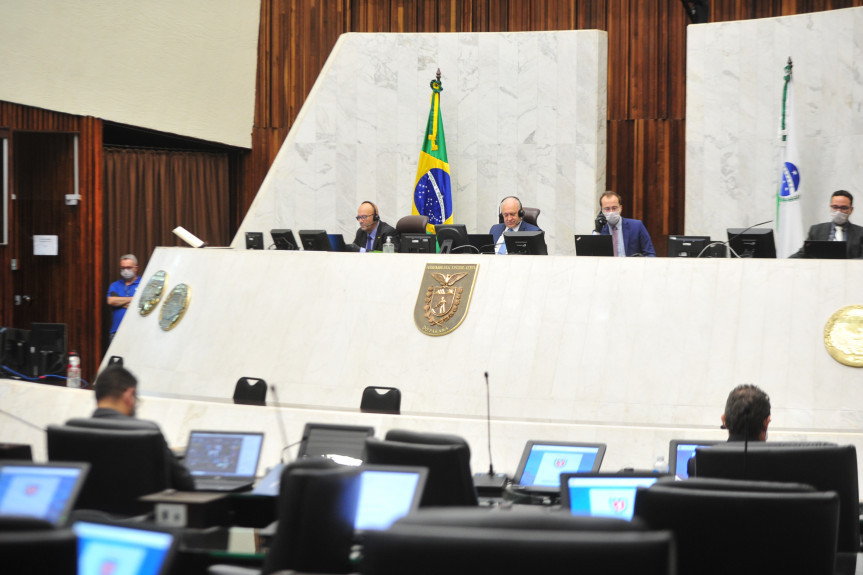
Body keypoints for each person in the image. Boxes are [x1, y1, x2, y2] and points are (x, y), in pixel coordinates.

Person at [92, 365, 194, 490]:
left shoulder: (72, 429)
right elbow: (185, 483)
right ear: (129, 395)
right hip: (142, 510)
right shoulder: (147, 432)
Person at [789, 190, 863, 259]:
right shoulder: (816, 230)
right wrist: (783, 262)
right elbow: (804, 254)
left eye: (843, 208)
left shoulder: (860, 233)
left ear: (851, 209)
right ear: (830, 207)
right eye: (835, 207)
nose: (838, 211)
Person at [593, 191, 656, 257]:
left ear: (621, 208)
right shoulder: (600, 231)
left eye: (614, 208)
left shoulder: (637, 226)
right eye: (607, 209)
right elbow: (592, 256)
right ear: (601, 211)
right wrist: (597, 232)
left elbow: (650, 253)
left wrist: (640, 261)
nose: (611, 212)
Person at [107, 254, 140, 340]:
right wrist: (134, 299)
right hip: (116, 332)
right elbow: (111, 301)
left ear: (136, 268)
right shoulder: (115, 285)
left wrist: (120, 302)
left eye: (128, 267)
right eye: (123, 268)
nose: (125, 270)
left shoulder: (143, 283)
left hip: (138, 332)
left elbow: (143, 304)